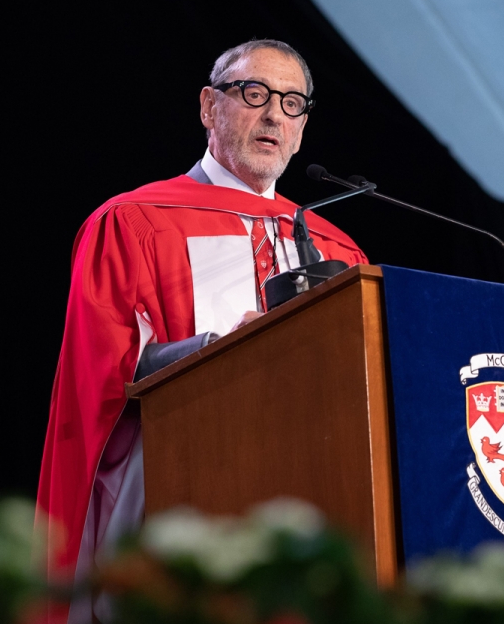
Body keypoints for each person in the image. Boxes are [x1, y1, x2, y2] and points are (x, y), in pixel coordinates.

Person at [36, 39, 367, 623]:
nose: (273, 115)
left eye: (293, 103)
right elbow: (107, 373)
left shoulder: (338, 248)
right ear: (209, 106)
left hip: (312, 499)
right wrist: (221, 353)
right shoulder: (135, 222)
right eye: (255, 93)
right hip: (181, 497)